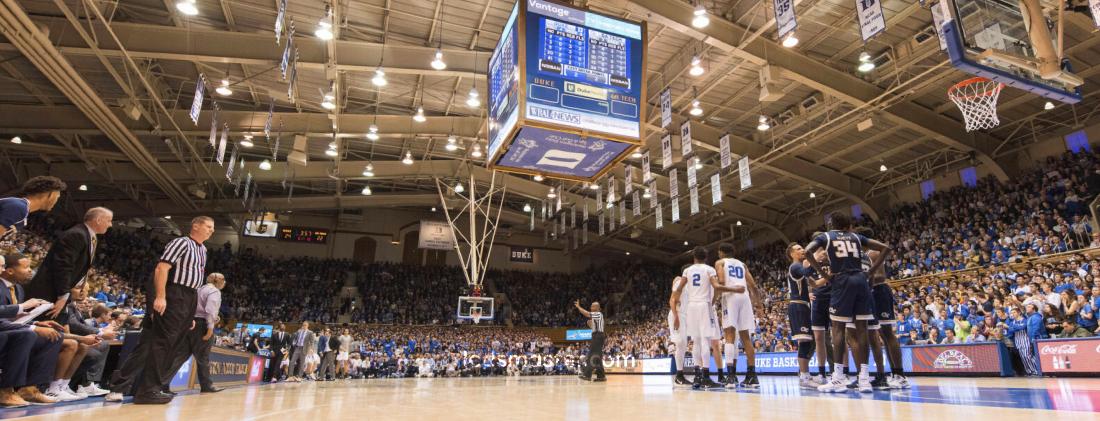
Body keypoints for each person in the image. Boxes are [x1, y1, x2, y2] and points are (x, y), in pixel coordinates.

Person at [106, 216, 214, 404]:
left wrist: (191, 312)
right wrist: (161, 296)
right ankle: (147, 390)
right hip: (173, 293)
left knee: (152, 344)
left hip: (188, 297)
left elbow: (193, 282)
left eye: (213, 228)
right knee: (161, 344)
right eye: (208, 226)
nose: (211, 230)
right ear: (195, 225)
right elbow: (161, 269)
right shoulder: (181, 242)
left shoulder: (203, 250)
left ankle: (128, 386)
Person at [804, 213, 890, 393]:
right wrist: (870, 272)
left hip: (842, 282)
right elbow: (885, 248)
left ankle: (838, 378)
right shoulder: (856, 237)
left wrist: (825, 274)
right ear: (847, 225)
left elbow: (807, 252)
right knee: (862, 330)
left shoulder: (826, 236)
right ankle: (864, 378)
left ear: (830, 223)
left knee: (838, 329)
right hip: (860, 281)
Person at [0, 253, 74, 403]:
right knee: (27, 335)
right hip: (4, 332)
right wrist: (31, 327)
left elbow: (13, 319)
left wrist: (34, 324)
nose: (30, 271)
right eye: (26, 267)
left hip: (10, 330)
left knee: (53, 337)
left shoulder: (19, 289)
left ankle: (30, 389)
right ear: (10, 271)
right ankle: (6, 390)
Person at [26, 207, 112, 321]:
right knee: (42, 329)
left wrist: (78, 287)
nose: (110, 225)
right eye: (109, 220)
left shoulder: (87, 235)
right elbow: (63, 266)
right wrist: (63, 294)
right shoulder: (77, 234)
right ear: (98, 220)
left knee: (53, 331)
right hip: (49, 291)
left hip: (57, 291)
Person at [671, 247, 738, 390]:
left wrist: (676, 300)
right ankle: (706, 377)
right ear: (706, 257)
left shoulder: (687, 271)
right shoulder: (709, 269)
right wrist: (713, 300)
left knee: (696, 341)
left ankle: (697, 376)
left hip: (691, 306)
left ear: (693, 257)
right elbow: (716, 287)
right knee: (705, 341)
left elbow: (679, 289)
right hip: (704, 305)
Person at [165, 273, 226, 394]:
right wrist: (210, 329)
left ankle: (162, 383)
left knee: (180, 356)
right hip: (202, 326)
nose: (224, 283)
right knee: (203, 357)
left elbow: (196, 308)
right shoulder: (214, 291)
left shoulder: (199, 289)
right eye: (224, 280)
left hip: (190, 323)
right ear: (218, 281)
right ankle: (206, 385)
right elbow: (209, 311)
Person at [715, 242, 763, 388]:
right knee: (746, 337)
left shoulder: (720, 262)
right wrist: (759, 305)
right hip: (745, 297)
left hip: (731, 295)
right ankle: (752, 376)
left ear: (721, 252)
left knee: (729, 335)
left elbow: (722, 281)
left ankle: (731, 376)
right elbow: (753, 286)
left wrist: (715, 295)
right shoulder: (742, 264)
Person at [786, 243, 819, 390]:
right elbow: (808, 271)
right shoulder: (795, 266)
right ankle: (804, 376)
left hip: (803, 304)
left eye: (802, 248)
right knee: (805, 342)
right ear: (792, 254)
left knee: (810, 342)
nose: (802, 250)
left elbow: (814, 282)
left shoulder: (797, 267)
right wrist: (815, 258)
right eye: (798, 249)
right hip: (798, 306)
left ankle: (804, 374)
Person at [0, 176, 66, 242]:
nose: (56, 202)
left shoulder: (21, 207)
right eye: (57, 197)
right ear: (51, 195)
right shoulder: (19, 207)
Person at [572, 300, 606, 382]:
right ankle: (601, 376)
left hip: (598, 336)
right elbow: (592, 326)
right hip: (597, 336)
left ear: (597, 308)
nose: (590, 307)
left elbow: (587, 314)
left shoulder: (598, 314)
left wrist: (578, 307)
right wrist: (590, 324)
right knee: (597, 357)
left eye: (592, 306)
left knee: (591, 355)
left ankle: (587, 375)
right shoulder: (596, 317)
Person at [666, 275, 689, 386]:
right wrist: (676, 317)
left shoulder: (689, 285)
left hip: (683, 315)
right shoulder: (679, 281)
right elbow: (672, 300)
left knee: (683, 345)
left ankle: (680, 375)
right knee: (680, 343)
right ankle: (679, 376)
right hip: (677, 314)